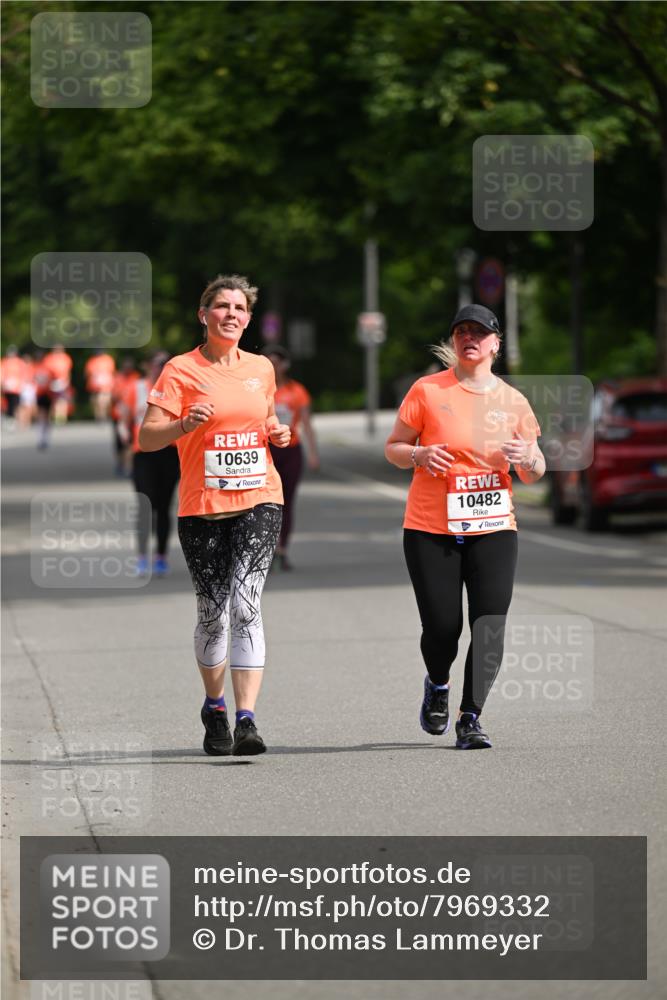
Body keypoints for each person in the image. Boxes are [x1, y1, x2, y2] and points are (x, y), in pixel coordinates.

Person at [138, 274, 291, 757]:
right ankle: (215, 706)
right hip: (202, 504)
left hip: (260, 496)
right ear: (203, 315)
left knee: (246, 604)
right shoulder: (179, 371)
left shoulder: (262, 368)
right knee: (212, 613)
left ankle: (247, 719)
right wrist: (183, 424)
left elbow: (264, 419)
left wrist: (277, 433)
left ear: (248, 318)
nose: (231, 314)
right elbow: (147, 437)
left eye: (240, 308)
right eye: (221, 306)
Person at [385, 304, 545, 750]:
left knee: (490, 623)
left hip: (494, 527)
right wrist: (416, 455)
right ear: (454, 342)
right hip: (430, 527)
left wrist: (527, 459)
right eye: (461, 332)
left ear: (496, 343)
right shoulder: (427, 391)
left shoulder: (513, 401)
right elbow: (394, 447)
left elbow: (536, 468)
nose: (469, 338)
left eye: (479, 332)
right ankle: (438, 683)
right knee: (442, 628)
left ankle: (470, 717)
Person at [260, 344, 319, 569]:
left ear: (285, 365)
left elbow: (307, 424)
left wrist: (313, 454)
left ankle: (281, 549)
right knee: (264, 502)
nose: (273, 366)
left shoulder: (296, 391)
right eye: (269, 361)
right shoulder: (257, 389)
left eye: (277, 362)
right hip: (266, 450)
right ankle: (264, 548)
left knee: (286, 501)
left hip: (290, 450)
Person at [121, 351, 180, 577]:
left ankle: (161, 557)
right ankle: (142, 557)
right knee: (145, 505)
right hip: (143, 453)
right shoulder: (136, 388)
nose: (161, 368)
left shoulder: (178, 389)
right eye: (157, 364)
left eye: (165, 364)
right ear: (148, 366)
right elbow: (124, 417)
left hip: (169, 452)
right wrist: (123, 434)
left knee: (164, 506)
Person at [111, 356, 139, 475]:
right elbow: (113, 397)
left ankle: (129, 466)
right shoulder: (118, 378)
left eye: (130, 367)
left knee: (130, 442)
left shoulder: (136, 378)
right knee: (119, 442)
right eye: (126, 367)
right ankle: (120, 463)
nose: (128, 369)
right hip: (118, 415)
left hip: (132, 416)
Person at [84, 349, 116, 421]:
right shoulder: (92, 360)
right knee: (95, 402)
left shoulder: (108, 359)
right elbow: (88, 373)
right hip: (94, 385)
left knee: (103, 401)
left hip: (106, 385)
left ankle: (103, 416)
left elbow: (111, 372)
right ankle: (99, 416)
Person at [1, 346, 26, 426]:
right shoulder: (4, 362)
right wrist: (3, 383)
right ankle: (9, 419)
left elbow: (23, 374)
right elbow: (2, 373)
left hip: (16, 387)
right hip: (7, 387)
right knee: (8, 404)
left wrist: (22, 384)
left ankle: (14, 419)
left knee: (15, 404)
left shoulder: (19, 362)